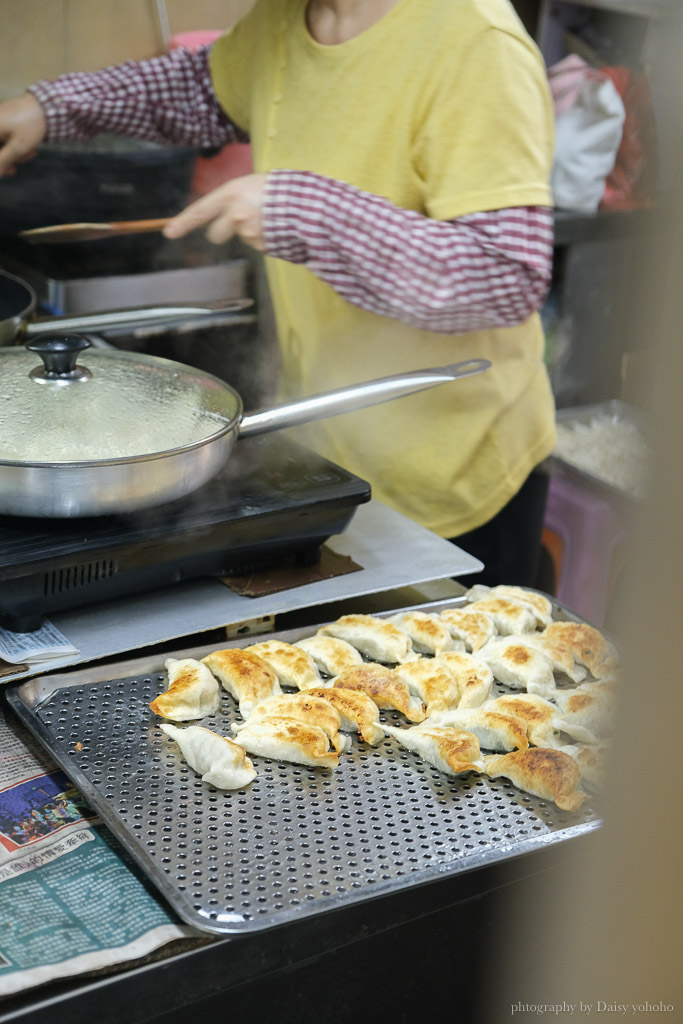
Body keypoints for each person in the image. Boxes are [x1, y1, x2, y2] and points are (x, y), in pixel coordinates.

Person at [0, 0, 557, 586]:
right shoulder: (286, 20)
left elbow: (505, 277)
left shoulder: (478, 44)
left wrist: (308, 213)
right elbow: (201, 88)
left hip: (455, 480)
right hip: (333, 453)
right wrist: (51, 108)